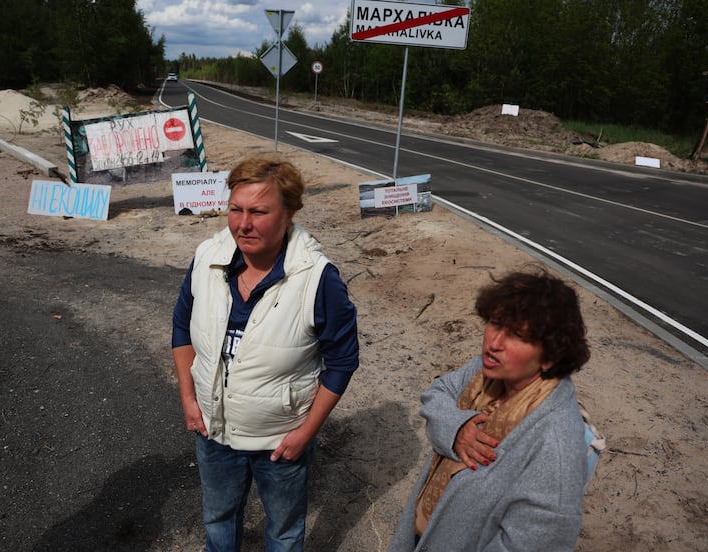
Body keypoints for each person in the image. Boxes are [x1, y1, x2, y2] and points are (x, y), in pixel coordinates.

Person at [171, 157, 359, 552]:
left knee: (284, 531)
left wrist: (305, 433)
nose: (243, 224)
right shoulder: (207, 258)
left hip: (280, 439)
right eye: (235, 209)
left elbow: (342, 362)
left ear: (289, 214)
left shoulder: (318, 279)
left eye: (258, 212)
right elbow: (182, 328)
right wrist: (188, 398)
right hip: (213, 430)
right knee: (218, 520)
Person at [388, 268, 591, 552]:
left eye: (517, 335)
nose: (494, 344)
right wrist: (456, 427)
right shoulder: (486, 371)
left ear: (550, 356)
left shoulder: (555, 446)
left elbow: (532, 543)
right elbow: (438, 391)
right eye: (495, 324)